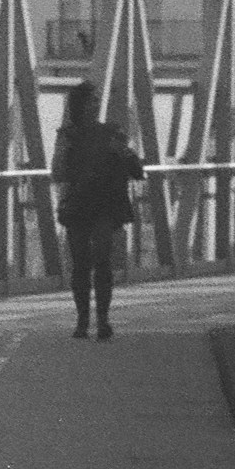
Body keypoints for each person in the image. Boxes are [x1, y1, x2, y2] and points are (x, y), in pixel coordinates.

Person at [52, 84, 146, 341]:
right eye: (90, 101)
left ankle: (102, 320)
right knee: (81, 262)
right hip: (80, 204)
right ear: (78, 105)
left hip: (102, 203)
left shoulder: (110, 133)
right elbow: (57, 172)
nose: (95, 105)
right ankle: (83, 321)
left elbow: (135, 166)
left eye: (96, 100)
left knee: (101, 258)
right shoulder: (68, 136)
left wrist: (121, 154)